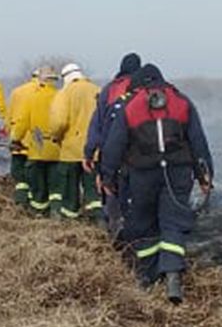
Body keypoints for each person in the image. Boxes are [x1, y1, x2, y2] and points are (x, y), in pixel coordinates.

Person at [99, 63, 213, 303]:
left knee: (143, 224)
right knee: (173, 223)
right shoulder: (182, 102)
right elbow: (198, 142)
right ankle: (172, 277)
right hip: (178, 174)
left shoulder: (129, 106)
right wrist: (205, 176)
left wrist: (108, 177)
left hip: (141, 176)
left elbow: (113, 145)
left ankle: (149, 279)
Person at [84, 52, 142, 233]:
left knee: (111, 194)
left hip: (111, 154)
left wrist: (88, 152)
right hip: (140, 155)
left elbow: (97, 125)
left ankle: (114, 234)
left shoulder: (109, 90)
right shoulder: (145, 91)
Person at [47, 62, 102, 220]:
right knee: (94, 193)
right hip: (95, 152)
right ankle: (98, 223)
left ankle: (70, 224)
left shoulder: (64, 93)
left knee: (69, 194)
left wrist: (56, 137)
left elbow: (58, 122)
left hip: (70, 152)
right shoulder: (97, 90)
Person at [9, 65, 61, 216]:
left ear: (40, 80)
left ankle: (38, 213)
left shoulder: (33, 98)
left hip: (37, 147)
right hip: (57, 148)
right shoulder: (61, 96)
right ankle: (56, 212)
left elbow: (22, 122)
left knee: (38, 186)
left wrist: (15, 139)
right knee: (56, 185)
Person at [5, 68, 41, 208]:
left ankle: (20, 202)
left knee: (20, 177)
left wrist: (11, 136)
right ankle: (34, 204)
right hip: (37, 144)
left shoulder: (17, 92)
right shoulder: (46, 93)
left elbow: (9, 117)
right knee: (35, 176)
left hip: (18, 142)